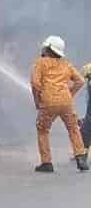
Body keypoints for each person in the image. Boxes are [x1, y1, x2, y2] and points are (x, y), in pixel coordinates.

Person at [30, 35, 87, 173]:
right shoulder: (66, 64)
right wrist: (69, 95)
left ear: (48, 48)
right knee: (73, 128)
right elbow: (80, 80)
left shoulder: (40, 62)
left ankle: (46, 163)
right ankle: (80, 157)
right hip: (66, 103)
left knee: (42, 130)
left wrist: (37, 101)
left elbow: (35, 84)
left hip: (48, 102)